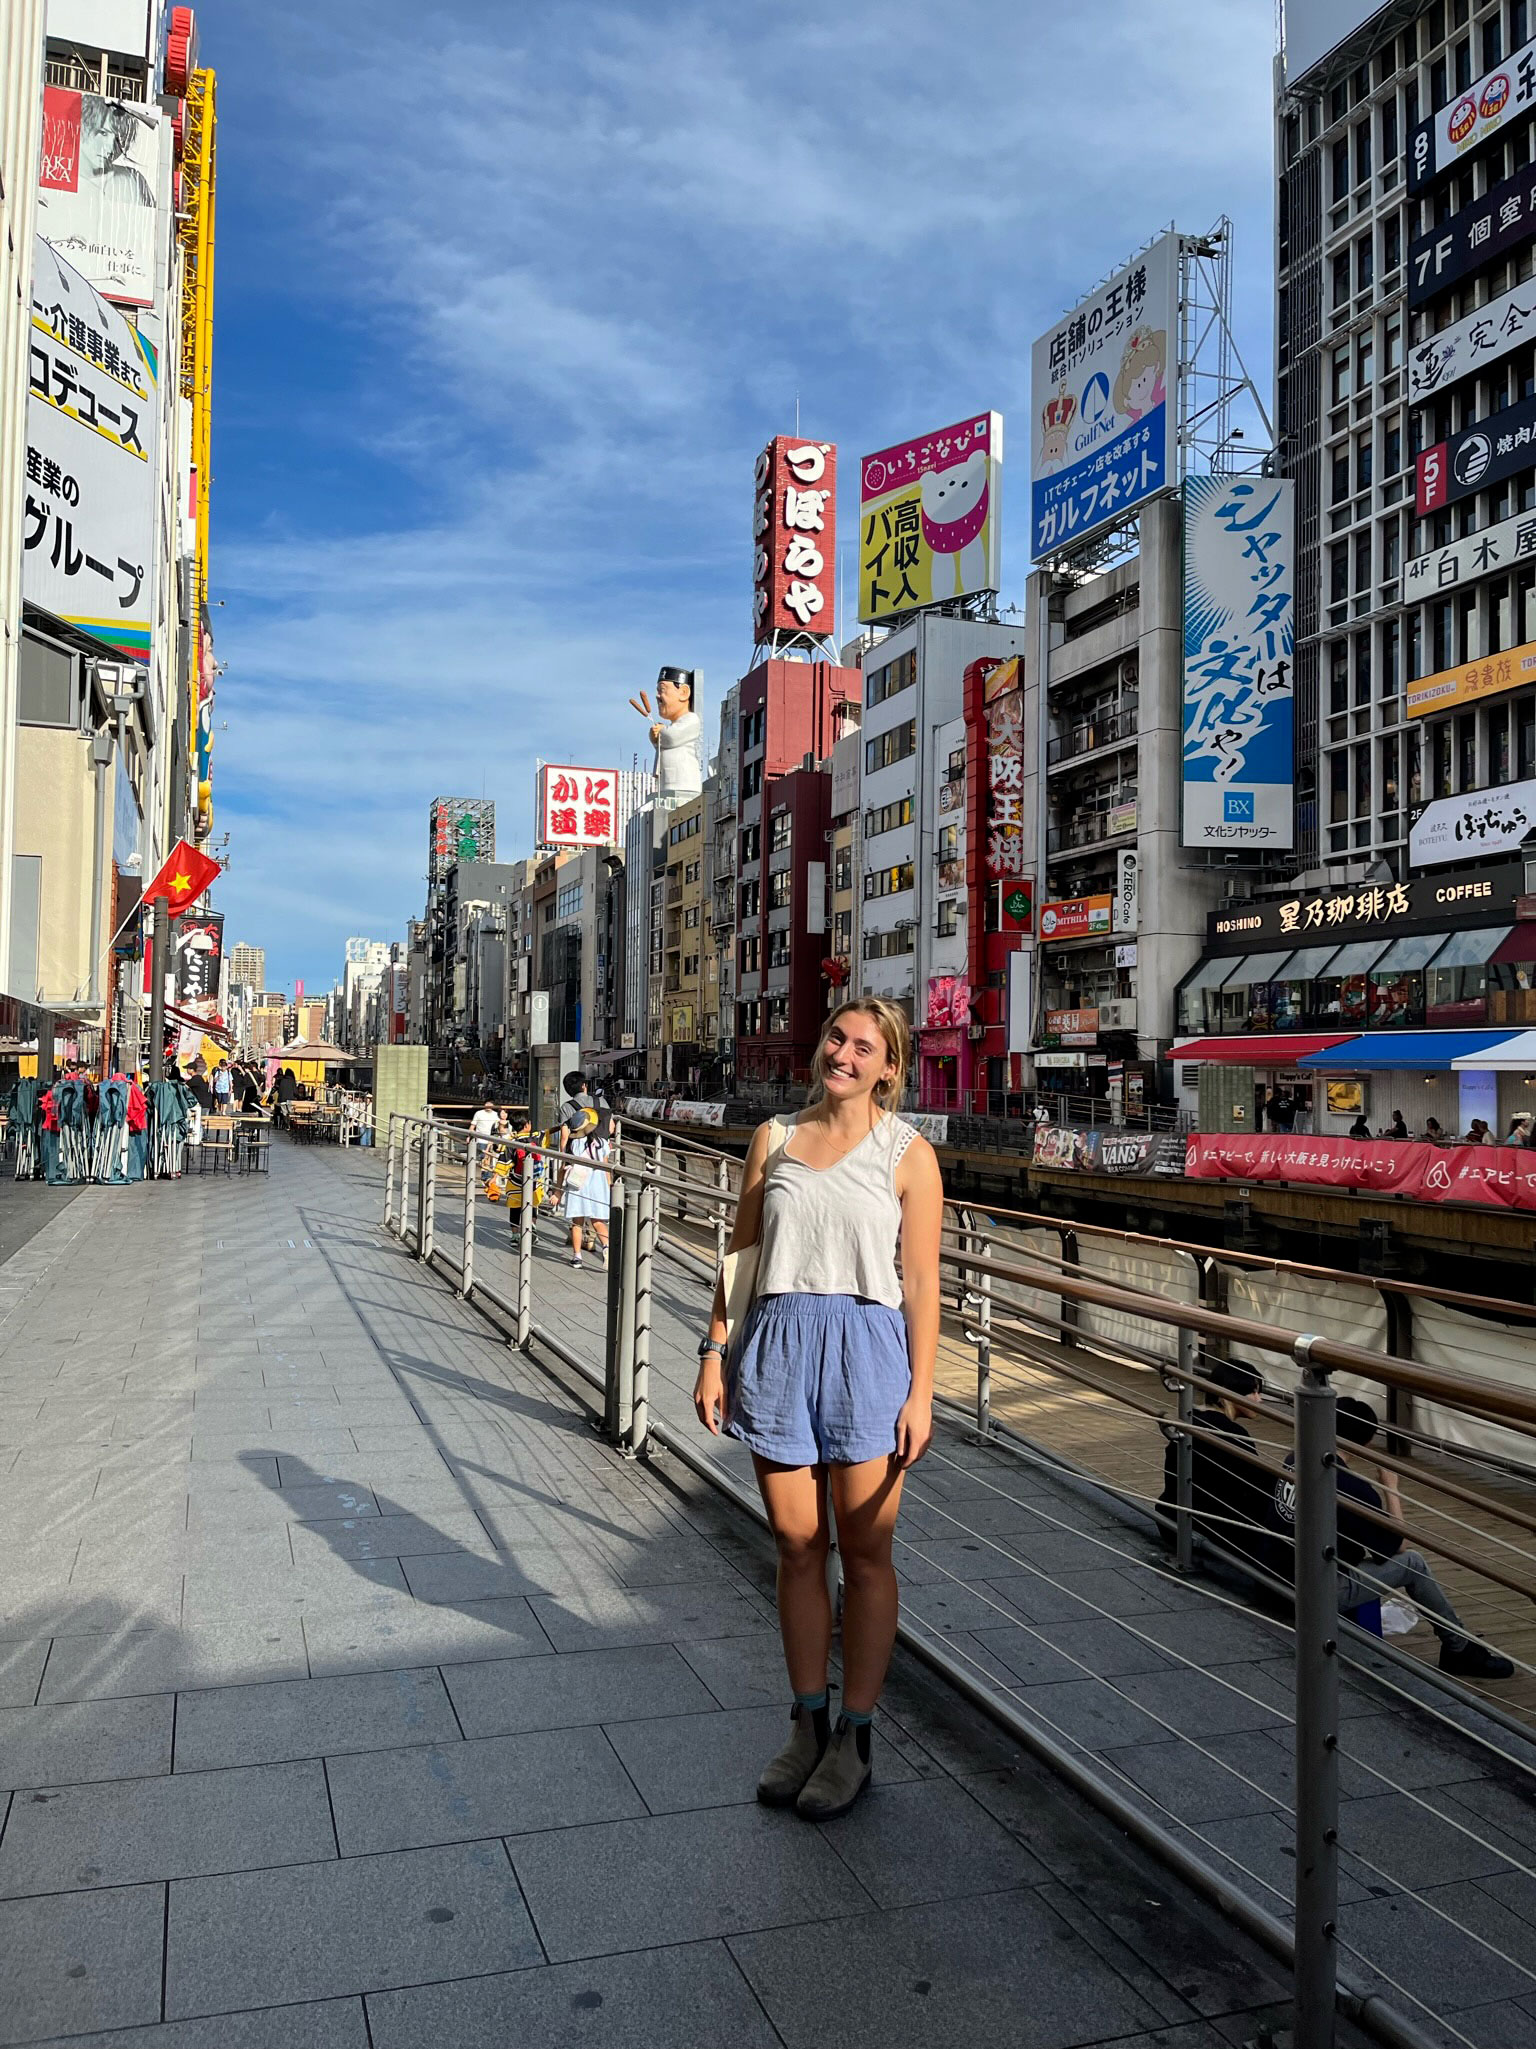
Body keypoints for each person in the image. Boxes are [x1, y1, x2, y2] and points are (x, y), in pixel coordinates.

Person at [693, 999, 943, 1820]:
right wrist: (712, 1348)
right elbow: (743, 1252)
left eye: (862, 1046)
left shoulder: (909, 1155)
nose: (842, 1052)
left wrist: (921, 1392)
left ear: (888, 1066)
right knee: (798, 1545)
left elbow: (920, 1285)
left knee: (867, 1551)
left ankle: (857, 1738)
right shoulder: (773, 1139)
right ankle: (807, 1722)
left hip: (869, 1354)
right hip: (780, 1345)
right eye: (835, 1035)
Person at [1273, 1399, 1513, 1680]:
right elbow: (1399, 1545)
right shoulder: (1352, 1487)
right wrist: (1391, 1489)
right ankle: (1458, 1649)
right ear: (1367, 1440)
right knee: (1413, 1564)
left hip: (1275, 1577)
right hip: (1310, 1595)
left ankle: (1459, 1646)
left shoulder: (1295, 1458)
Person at [1156, 1360, 1281, 1572]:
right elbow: (1256, 1489)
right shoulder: (1233, 1434)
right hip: (1214, 1531)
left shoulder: (1191, 1421)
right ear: (1227, 1395)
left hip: (1173, 1521)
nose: (1259, 1400)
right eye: (1252, 1393)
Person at [563, 1109, 612, 1267]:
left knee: (577, 1222)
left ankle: (577, 1256)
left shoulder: (573, 1144)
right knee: (597, 1220)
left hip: (579, 1183)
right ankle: (606, 1247)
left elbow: (566, 1163)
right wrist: (609, 1185)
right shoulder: (602, 1143)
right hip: (598, 1184)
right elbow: (605, 1166)